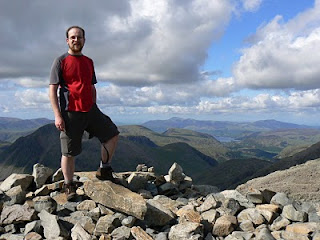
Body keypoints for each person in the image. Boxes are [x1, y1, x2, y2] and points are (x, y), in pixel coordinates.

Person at [49, 26, 120, 199]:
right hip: (70, 112)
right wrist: (58, 115)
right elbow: (53, 89)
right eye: (72, 37)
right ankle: (68, 184)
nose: (76, 40)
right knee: (69, 152)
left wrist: (94, 105)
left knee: (112, 135)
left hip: (91, 110)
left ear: (84, 40)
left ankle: (104, 169)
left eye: (79, 37)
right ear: (67, 40)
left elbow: (91, 85)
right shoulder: (60, 61)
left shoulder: (89, 61)